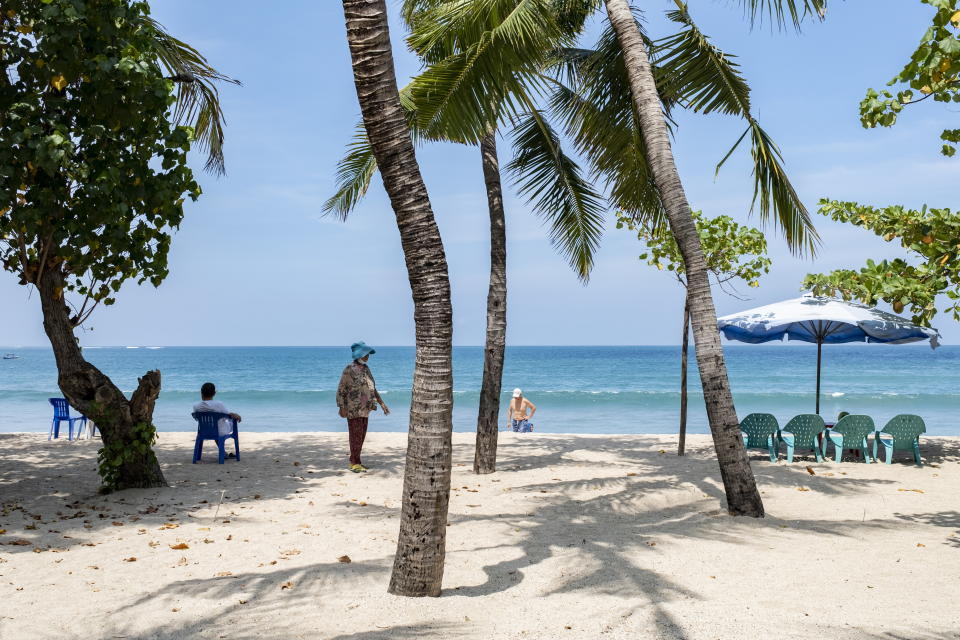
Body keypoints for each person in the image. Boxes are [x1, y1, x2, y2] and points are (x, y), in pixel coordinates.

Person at [336, 341, 390, 472]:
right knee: (355, 435)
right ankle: (354, 463)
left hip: (365, 408)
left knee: (361, 436)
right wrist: (341, 407)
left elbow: (373, 388)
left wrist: (382, 403)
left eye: (368, 354)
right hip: (353, 409)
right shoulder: (349, 369)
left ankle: (356, 461)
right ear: (359, 355)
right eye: (366, 354)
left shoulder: (366, 369)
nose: (368, 357)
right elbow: (341, 389)